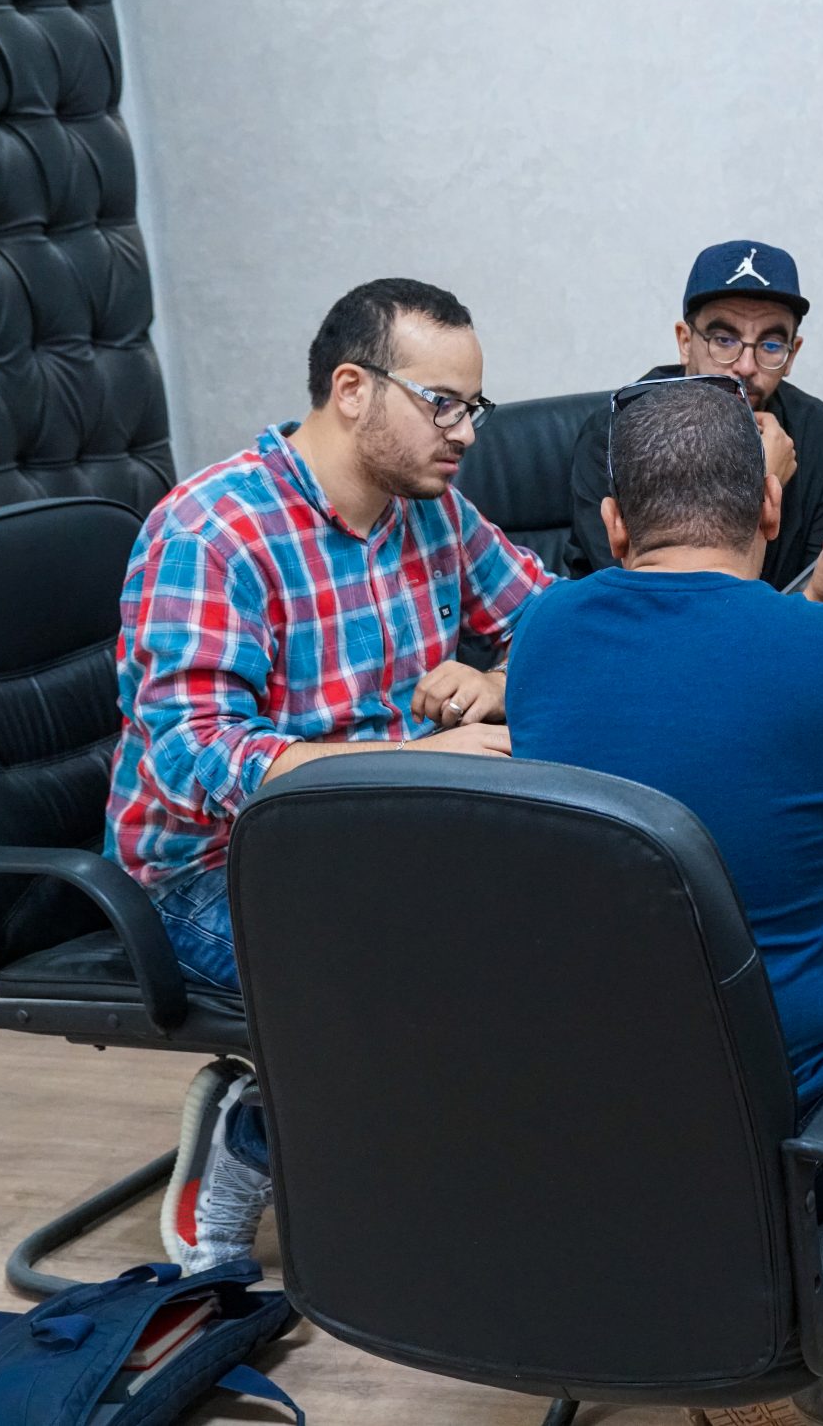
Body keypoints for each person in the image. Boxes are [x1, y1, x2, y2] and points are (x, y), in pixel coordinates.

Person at [510, 375, 823, 1234]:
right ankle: (785, 1246)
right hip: (785, 1121)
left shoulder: (543, 631)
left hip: (589, 1105)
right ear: (771, 507)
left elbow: (695, 657)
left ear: (614, 524)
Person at [104, 277, 552, 1269]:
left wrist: (494, 678)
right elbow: (193, 757)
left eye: (473, 407)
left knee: (570, 912)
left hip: (386, 835)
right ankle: (253, 1138)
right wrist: (413, 759)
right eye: (443, 404)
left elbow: (557, 623)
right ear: (353, 389)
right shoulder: (214, 534)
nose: (465, 432)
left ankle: (464, 1171)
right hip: (213, 871)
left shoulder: (429, 511)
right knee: (446, 967)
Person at [568, 239, 823, 590]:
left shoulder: (820, 433)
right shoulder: (615, 431)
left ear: (792, 355)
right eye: (724, 340)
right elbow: (644, 596)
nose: (746, 366)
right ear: (685, 342)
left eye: (771, 345)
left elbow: (818, 587)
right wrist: (762, 483)